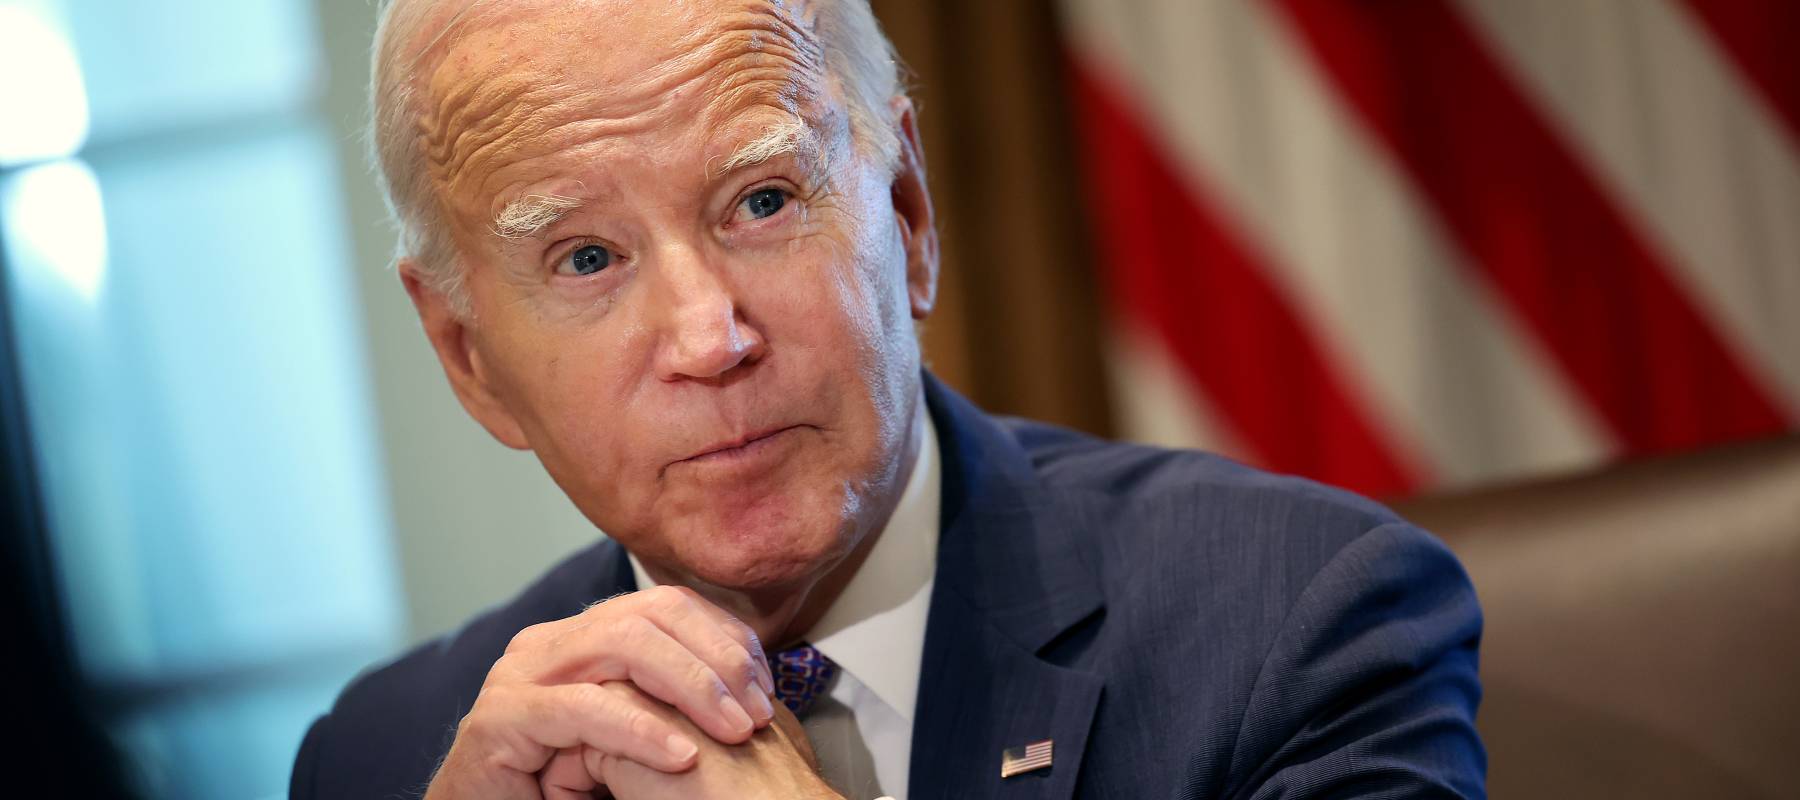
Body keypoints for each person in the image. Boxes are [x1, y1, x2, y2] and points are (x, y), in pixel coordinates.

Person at [290, 0, 1486, 797]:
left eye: (762, 201)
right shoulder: (384, 759)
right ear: (469, 358)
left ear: (907, 216)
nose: (712, 338)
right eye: (587, 259)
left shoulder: (1302, 624)